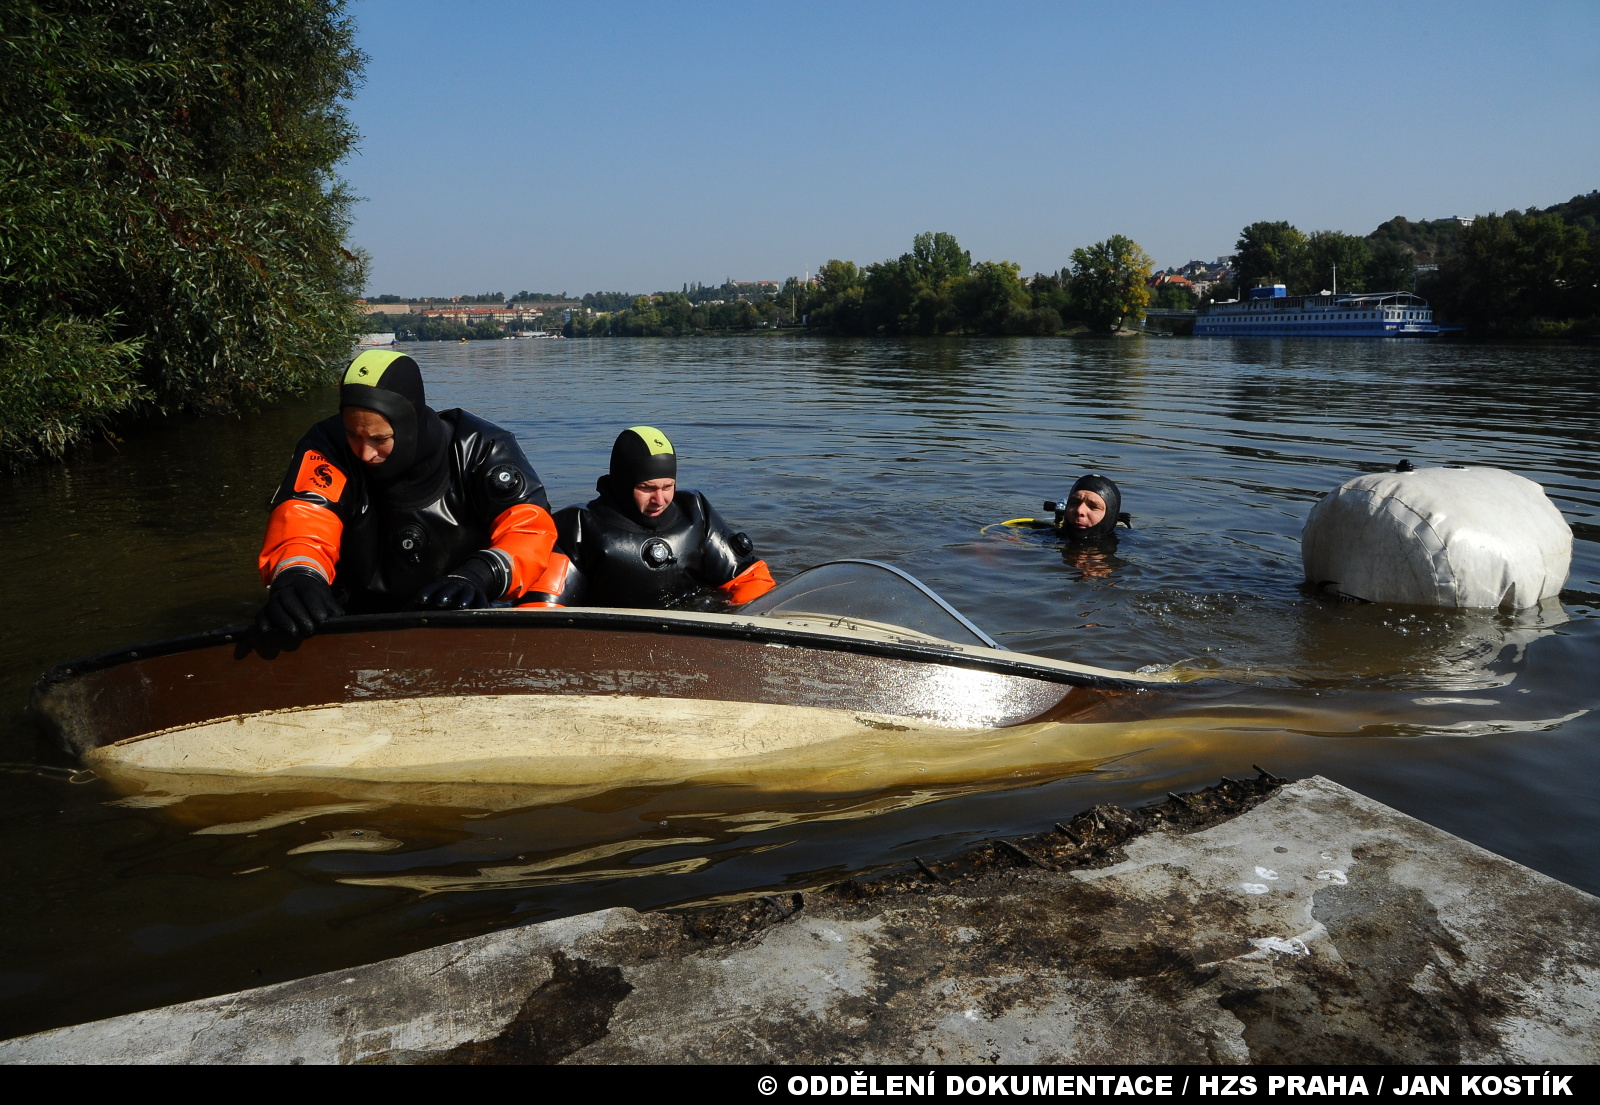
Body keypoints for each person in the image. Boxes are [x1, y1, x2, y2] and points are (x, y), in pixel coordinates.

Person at [255, 350, 557, 638]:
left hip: (463, 603)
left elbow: (528, 530)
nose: (364, 453)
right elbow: (304, 519)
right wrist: (298, 574)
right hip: (359, 614)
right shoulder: (328, 447)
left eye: (379, 438)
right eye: (352, 434)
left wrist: (478, 575)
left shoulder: (481, 448)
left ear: (410, 422)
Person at [524, 425, 775, 609]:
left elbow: (751, 580)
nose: (660, 500)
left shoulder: (695, 513)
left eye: (668, 486)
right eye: (647, 488)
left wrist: (740, 616)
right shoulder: (579, 527)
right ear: (622, 483)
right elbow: (543, 610)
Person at [1052, 474, 1130, 541]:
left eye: (1093, 506)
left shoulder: (1128, 545)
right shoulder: (1048, 536)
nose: (1079, 510)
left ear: (1110, 516)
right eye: (1074, 503)